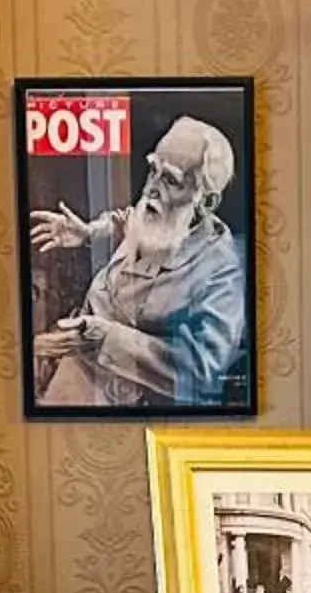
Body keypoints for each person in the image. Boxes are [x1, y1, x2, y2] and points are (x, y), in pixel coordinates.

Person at [29, 117, 252, 408]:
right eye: (153, 170)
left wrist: (105, 338)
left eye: (170, 180)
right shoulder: (154, 216)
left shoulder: (222, 270)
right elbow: (125, 220)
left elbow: (203, 371)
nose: (151, 189)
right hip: (62, 372)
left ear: (206, 202)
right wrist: (87, 232)